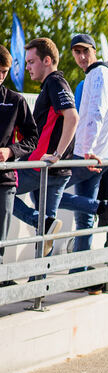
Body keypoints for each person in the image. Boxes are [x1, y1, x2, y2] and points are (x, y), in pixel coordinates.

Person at [11, 38, 108, 256]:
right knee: (47, 231)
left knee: (4, 188)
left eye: (31, 62)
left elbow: (73, 117)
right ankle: (39, 281)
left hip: (42, 165)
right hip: (55, 168)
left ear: (47, 60)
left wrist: (58, 153)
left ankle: (40, 221)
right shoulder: (63, 83)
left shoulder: (55, 82)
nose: (27, 67)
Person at [60, 33, 108, 256]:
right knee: (84, 218)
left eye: (85, 51)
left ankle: (101, 207)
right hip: (100, 156)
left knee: (42, 192)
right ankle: (81, 271)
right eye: (77, 52)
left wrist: (88, 149)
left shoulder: (98, 74)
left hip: (88, 156)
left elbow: (96, 112)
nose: (81, 56)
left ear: (94, 51)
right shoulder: (106, 76)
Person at [0, 44, 38, 269]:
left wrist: (11, 151)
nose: (1, 76)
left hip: (4, 181)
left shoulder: (15, 101)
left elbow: (33, 137)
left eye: (4, 71)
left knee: (0, 241)